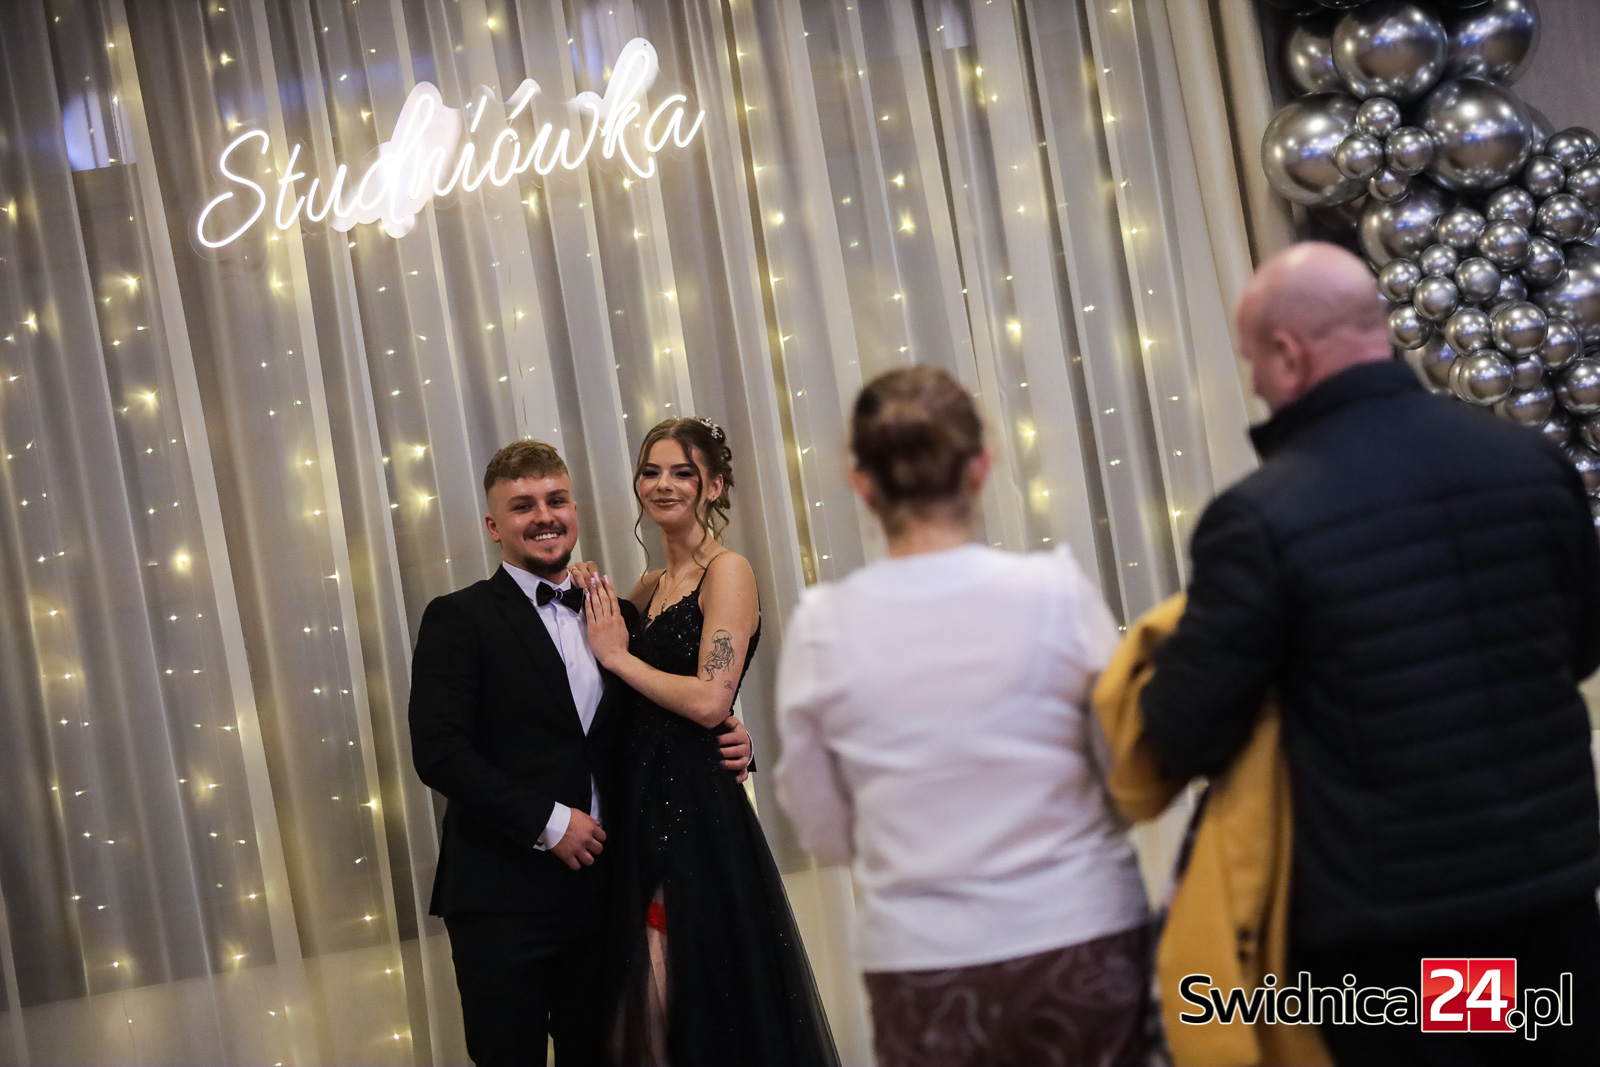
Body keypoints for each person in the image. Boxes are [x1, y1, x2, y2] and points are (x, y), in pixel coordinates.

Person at [1138, 242, 1600, 1065]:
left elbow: (1186, 732)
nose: (1254, 383)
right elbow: (1582, 645)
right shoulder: (1529, 462)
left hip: (1400, 925)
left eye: (1252, 360)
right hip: (1554, 892)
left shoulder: (1259, 518)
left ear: (1287, 353)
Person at [773, 366, 1155, 1067]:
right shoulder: (1057, 594)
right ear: (981, 466)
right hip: (1079, 933)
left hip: (923, 958)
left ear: (862, 484)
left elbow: (824, 829)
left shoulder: (821, 629)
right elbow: (1126, 772)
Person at [407, 439, 752, 1066]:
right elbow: (440, 752)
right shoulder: (458, 618)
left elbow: (666, 712)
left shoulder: (617, 615)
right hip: (501, 895)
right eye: (522, 506)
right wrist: (549, 822)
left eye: (556, 500)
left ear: (574, 511)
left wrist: (733, 734)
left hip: (607, 893)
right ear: (494, 526)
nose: (544, 516)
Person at [578, 416, 839, 1067]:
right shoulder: (646, 586)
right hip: (636, 809)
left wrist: (620, 656)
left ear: (713, 486)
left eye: (682, 472)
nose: (663, 484)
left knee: (681, 1006)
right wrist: (583, 587)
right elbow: (606, 692)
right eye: (651, 471)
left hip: (693, 814)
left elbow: (708, 700)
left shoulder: (729, 571)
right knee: (637, 1014)